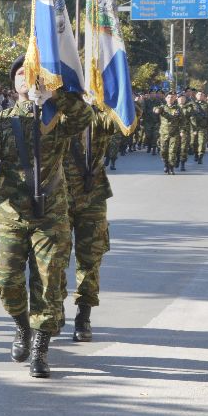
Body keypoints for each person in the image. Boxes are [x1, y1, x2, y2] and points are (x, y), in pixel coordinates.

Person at [0, 54, 92, 378]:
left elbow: (84, 118)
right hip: (10, 212)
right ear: (14, 83)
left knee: (48, 285)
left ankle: (40, 349)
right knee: (4, 278)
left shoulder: (57, 119)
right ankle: (22, 326)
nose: (25, 77)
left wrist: (55, 95)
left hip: (50, 215)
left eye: (30, 73)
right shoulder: (3, 121)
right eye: (20, 73)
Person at [63, 104, 124, 342]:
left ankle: (83, 315)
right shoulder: (54, 118)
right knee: (55, 259)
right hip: (59, 198)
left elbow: (124, 119)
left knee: (90, 260)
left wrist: (116, 87)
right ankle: (54, 309)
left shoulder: (97, 119)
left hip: (92, 198)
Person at [154, 92, 184, 174]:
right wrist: (156, 110)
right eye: (168, 97)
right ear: (165, 98)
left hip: (175, 133)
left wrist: (182, 131)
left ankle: (171, 167)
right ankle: (166, 164)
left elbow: (182, 121)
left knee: (172, 151)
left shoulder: (178, 108)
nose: (170, 99)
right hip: (164, 133)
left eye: (172, 97)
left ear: (174, 99)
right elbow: (156, 109)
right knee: (163, 151)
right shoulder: (162, 107)